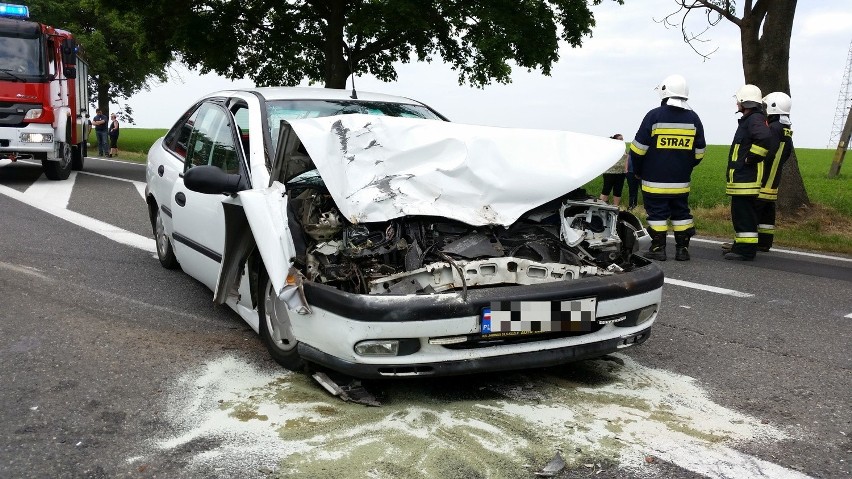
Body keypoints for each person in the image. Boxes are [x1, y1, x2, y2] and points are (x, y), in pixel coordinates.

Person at [629, 74, 706, 261]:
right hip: (681, 182)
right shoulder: (693, 118)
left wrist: (638, 171)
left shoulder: (654, 116)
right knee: (681, 214)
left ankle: (658, 249)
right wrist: (685, 165)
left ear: (664, 92)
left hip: (653, 181)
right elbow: (700, 152)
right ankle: (682, 250)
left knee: (657, 214)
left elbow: (637, 150)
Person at [723, 84, 776, 261]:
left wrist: (750, 159)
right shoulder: (752, 119)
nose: (737, 103)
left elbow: (764, 138)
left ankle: (745, 251)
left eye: (738, 100)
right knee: (742, 215)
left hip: (746, 179)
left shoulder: (754, 119)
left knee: (744, 216)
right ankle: (741, 246)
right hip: (744, 179)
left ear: (745, 102)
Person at [599, 134, 627, 206]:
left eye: (622, 139)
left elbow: (626, 159)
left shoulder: (624, 148)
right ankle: (601, 206)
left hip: (621, 173)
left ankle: (615, 207)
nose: (622, 140)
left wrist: (626, 169)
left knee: (618, 191)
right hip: (610, 173)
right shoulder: (610, 148)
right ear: (615, 140)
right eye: (620, 139)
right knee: (606, 190)